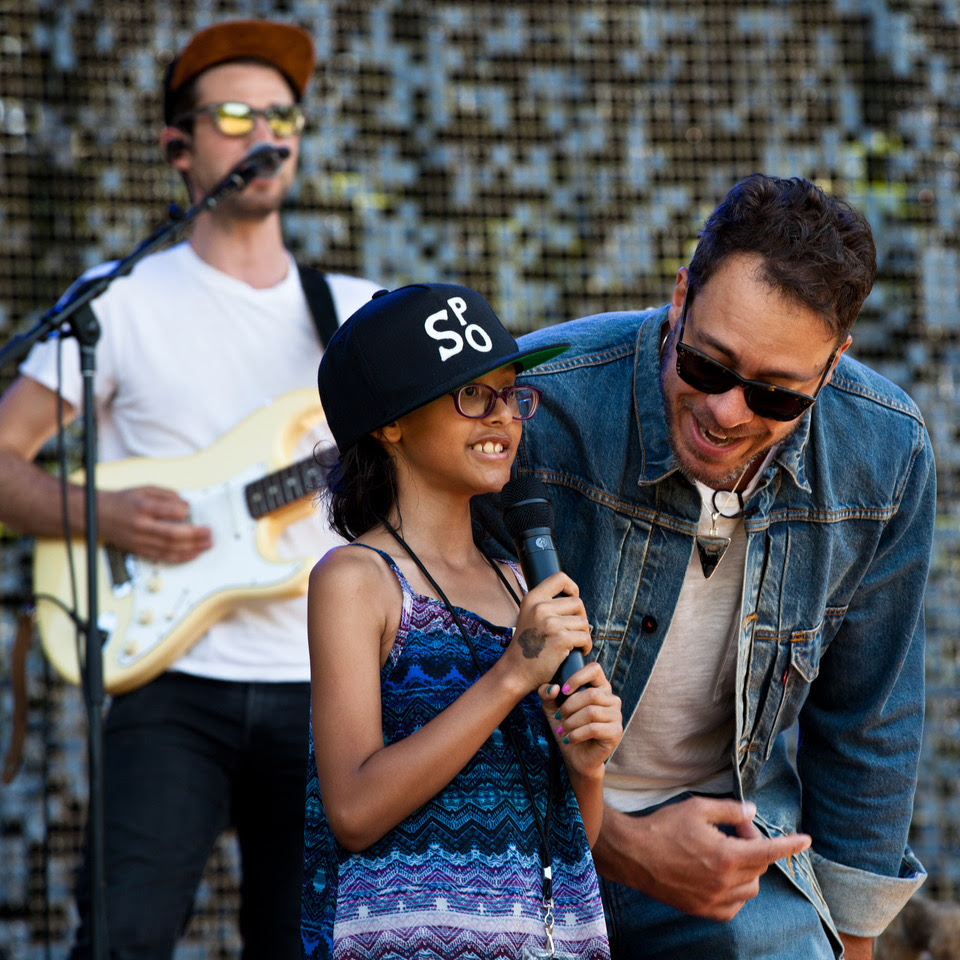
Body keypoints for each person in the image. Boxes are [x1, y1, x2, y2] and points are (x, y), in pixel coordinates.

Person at [0, 19, 380, 959]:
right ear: (180, 147)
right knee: (123, 938)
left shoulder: (362, 315)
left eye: (284, 114)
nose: (269, 133)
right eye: (239, 113)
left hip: (325, 686)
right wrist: (106, 514)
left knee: (308, 945)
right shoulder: (118, 303)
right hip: (168, 684)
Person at [496, 174, 935, 959]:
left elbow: (870, 718)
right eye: (707, 365)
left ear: (831, 369)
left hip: (729, 847)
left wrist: (850, 940)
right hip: (511, 832)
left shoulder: (885, 451)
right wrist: (624, 847)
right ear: (679, 297)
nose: (729, 411)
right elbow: (429, 677)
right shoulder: (534, 406)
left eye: (776, 396)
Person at [301, 282, 622, 959]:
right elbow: (354, 811)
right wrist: (511, 676)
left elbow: (569, 842)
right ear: (389, 423)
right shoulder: (357, 581)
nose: (503, 417)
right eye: (473, 394)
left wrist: (586, 768)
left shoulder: (518, 585)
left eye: (511, 393)